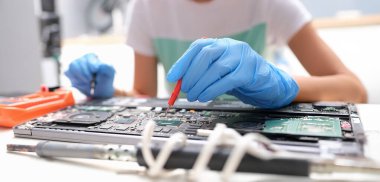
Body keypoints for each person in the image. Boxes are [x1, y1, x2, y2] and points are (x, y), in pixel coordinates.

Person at [65, 0, 367, 109]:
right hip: (188, 136)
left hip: (259, 132)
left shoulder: (271, 4)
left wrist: (281, 85)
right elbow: (144, 94)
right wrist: (109, 93)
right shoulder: (147, 7)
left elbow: (354, 91)